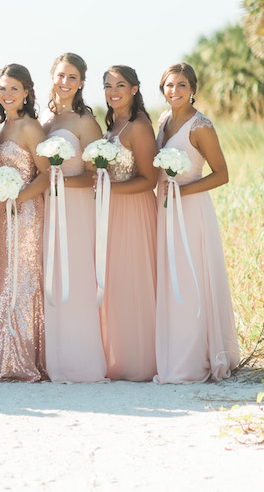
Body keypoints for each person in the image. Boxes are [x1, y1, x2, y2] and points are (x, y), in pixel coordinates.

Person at [154, 63, 239, 383]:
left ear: (193, 90)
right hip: (164, 210)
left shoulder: (201, 127)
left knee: (190, 279)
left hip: (191, 211)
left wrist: (183, 190)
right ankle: (171, 352)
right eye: (169, 85)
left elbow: (222, 174)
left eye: (181, 85)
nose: (174, 91)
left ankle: (193, 359)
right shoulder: (162, 120)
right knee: (168, 278)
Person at [42, 53, 107, 383]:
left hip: (77, 207)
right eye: (60, 75)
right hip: (48, 208)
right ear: (51, 77)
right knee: (51, 275)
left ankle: (80, 362)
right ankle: (54, 359)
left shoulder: (85, 122)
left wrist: (62, 182)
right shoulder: (47, 120)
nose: (64, 82)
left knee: (76, 277)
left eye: (71, 77)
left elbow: (98, 176)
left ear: (81, 83)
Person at [0, 64, 50, 382]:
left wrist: (20, 197)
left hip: (24, 214)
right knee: (2, 279)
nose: (7, 94)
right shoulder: (4, 127)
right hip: (2, 216)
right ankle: (2, 358)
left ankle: (22, 359)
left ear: (26, 92)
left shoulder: (29, 127)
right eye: (2, 88)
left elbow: (47, 175)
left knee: (21, 281)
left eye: (14, 89)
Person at [100, 65, 157, 381]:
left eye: (120, 85)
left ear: (135, 89)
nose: (113, 91)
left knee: (133, 280)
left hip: (134, 210)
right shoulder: (112, 126)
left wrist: (109, 189)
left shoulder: (138, 126)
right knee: (115, 281)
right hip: (112, 210)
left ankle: (140, 361)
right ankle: (118, 356)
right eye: (108, 86)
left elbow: (150, 179)